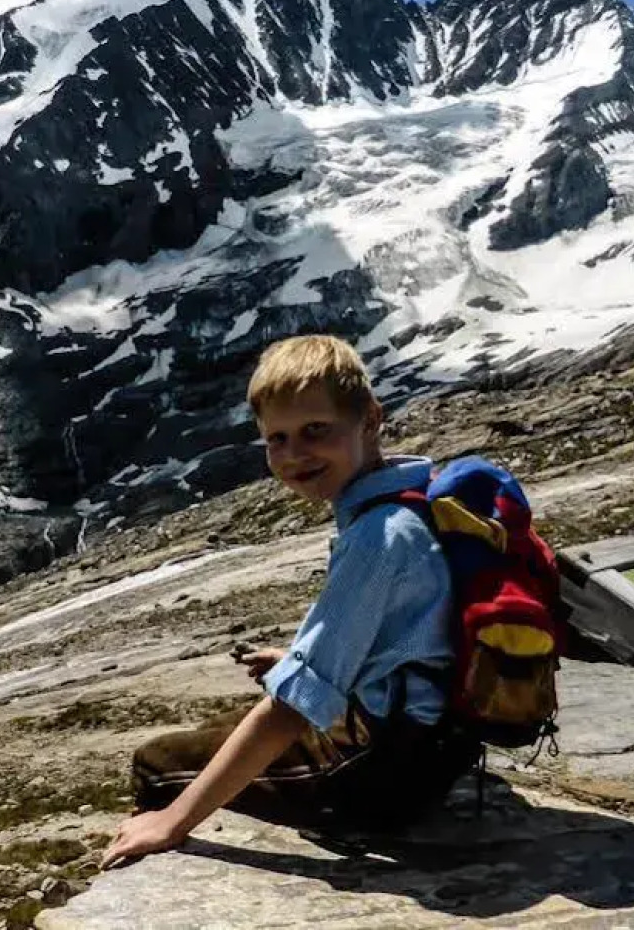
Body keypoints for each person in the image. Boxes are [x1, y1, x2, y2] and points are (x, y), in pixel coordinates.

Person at [100, 334, 477, 870]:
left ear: (370, 419)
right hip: (431, 742)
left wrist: (174, 820)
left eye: (314, 431)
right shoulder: (414, 501)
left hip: (386, 770)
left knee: (157, 764)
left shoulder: (378, 537)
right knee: (229, 727)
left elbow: (290, 711)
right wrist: (295, 663)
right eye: (277, 439)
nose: (294, 455)